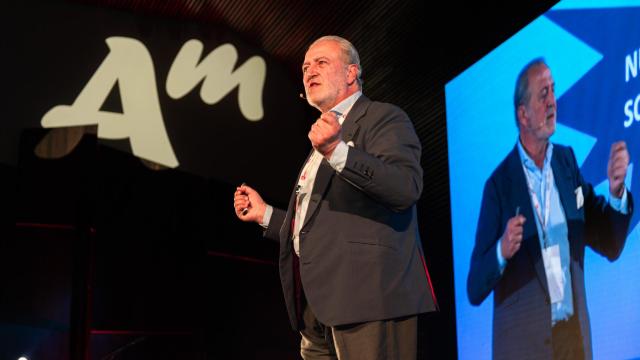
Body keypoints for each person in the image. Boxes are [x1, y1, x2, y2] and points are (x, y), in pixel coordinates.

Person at [233, 35, 437, 359]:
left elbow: (405, 187)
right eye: (304, 67)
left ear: (351, 72)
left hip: (369, 298)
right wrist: (265, 215)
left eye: (321, 62)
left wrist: (337, 151)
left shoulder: (382, 117)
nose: (309, 71)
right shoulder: (318, 142)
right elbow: (318, 225)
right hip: (318, 311)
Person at [467, 58, 634, 359]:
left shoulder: (567, 163)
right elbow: (475, 287)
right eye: (543, 94)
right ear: (523, 115)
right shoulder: (499, 186)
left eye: (554, 91)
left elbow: (609, 243)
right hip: (526, 349)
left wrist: (617, 191)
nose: (553, 102)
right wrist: (502, 251)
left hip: (574, 342)